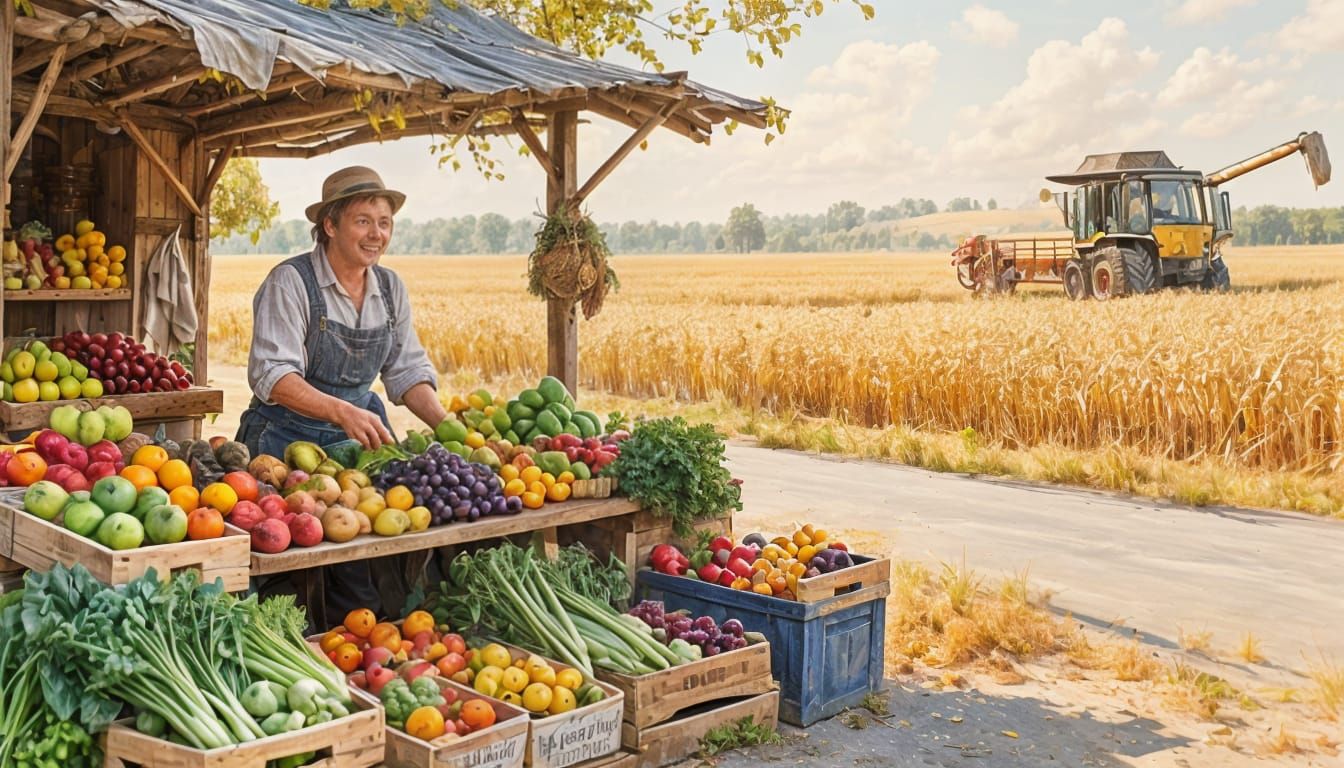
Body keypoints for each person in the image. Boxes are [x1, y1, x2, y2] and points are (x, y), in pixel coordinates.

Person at [236, 166, 448, 619]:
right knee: (282, 566)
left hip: (357, 444)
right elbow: (273, 375)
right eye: (364, 221)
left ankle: (361, 641)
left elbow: (406, 369)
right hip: (282, 444)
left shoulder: (390, 289)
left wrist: (449, 427)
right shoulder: (290, 283)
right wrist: (342, 412)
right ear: (330, 226)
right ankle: (298, 648)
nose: (377, 234)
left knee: (365, 561)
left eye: (385, 222)